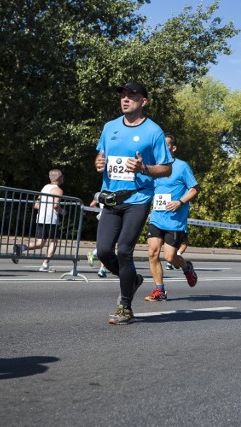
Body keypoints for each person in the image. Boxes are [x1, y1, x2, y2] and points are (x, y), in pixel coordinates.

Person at [94, 82, 173, 325]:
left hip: (138, 197)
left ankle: (125, 307)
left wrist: (144, 168)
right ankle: (133, 280)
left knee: (125, 250)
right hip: (111, 197)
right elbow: (101, 155)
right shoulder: (110, 127)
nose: (125, 99)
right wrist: (98, 162)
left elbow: (167, 168)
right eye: (123, 96)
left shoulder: (153, 132)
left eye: (132, 96)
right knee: (104, 252)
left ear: (144, 102)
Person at [144, 132, 200, 302]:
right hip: (156, 217)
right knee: (153, 253)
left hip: (174, 220)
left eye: (166, 145)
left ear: (173, 148)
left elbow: (195, 189)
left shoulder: (182, 167)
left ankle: (187, 266)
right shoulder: (154, 167)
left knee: (170, 257)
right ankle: (159, 290)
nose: (161, 148)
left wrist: (180, 202)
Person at [12, 169, 65, 272]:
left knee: (40, 243)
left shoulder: (45, 187)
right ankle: (45, 265)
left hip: (41, 218)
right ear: (58, 178)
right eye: (62, 176)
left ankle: (21, 248)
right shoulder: (58, 190)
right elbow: (55, 205)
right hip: (51, 219)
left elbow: (36, 205)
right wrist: (62, 211)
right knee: (53, 242)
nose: (63, 178)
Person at [87, 200, 108, 277]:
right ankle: (102, 268)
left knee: (105, 243)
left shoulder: (100, 194)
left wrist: (100, 211)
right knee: (107, 244)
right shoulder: (114, 192)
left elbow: (92, 204)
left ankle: (93, 254)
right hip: (110, 220)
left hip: (102, 219)